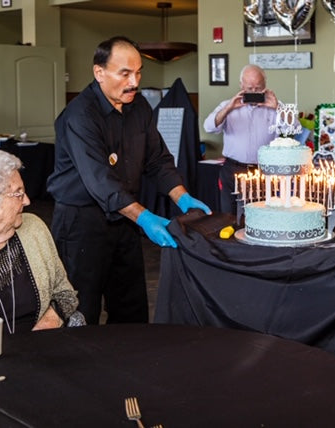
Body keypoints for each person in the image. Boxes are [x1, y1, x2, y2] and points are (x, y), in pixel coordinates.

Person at [47, 36, 211, 325]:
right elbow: (101, 183)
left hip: (125, 219)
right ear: (99, 72)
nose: (134, 81)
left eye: (138, 73)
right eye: (125, 73)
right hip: (81, 222)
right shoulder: (79, 116)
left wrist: (182, 197)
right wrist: (146, 219)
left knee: (131, 306)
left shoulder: (139, 108)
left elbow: (158, 160)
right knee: (81, 308)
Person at [0, 151, 82, 344]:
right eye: (18, 193)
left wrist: (36, 339)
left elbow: (65, 295)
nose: (27, 200)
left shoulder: (34, 229)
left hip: (39, 353)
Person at [203, 64, 279, 214]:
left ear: (265, 86)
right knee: (228, 215)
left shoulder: (276, 106)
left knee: (260, 215)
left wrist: (277, 109)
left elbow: (294, 128)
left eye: (258, 88)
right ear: (241, 85)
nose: (254, 92)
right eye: (249, 88)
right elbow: (208, 126)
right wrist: (229, 109)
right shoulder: (227, 106)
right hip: (232, 169)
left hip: (263, 171)